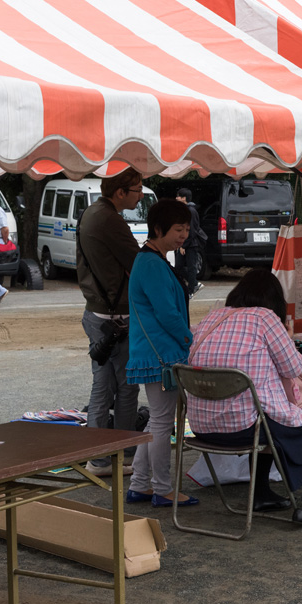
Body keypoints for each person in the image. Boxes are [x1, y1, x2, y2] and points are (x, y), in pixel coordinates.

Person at [187, 270, 302, 525]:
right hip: (243, 428)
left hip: (203, 427)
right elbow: (293, 368)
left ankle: (261, 493)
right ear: (275, 299)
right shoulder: (264, 318)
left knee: (263, 413)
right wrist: (288, 338)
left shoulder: (213, 317)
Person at [125, 199, 197, 509]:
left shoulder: (153, 260)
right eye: (178, 229)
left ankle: (141, 484)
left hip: (155, 353)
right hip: (161, 355)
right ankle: (163, 488)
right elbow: (167, 313)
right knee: (162, 422)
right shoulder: (152, 263)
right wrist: (189, 338)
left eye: (187, 229)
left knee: (156, 420)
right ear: (158, 229)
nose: (184, 235)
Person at [76, 168, 144, 477]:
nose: (140, 195)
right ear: (120, 192)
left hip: (97, 311)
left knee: (102, 387)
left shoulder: (91, 213)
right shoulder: (110, 219)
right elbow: (140, 263)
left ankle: (98, 457)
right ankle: (123, 454)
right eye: (136, 190)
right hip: (116, 316)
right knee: (126, 388)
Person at [175, 188, 207, 299]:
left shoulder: (191, 211)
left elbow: (192, 231)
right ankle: (194, 283)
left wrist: (184, 245)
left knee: (191, 266)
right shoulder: (184, 210)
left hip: (191, 244)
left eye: (178, 196)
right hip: (184, 243)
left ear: (184, 198)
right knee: (178, 267)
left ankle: (191, 290)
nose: (176, 198)